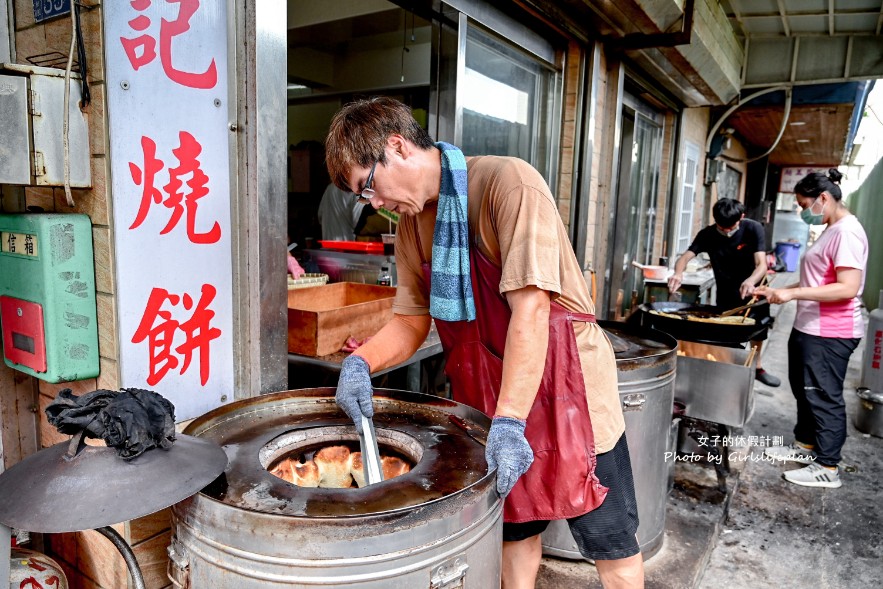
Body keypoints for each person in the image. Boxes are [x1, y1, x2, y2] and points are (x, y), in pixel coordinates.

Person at [327, 97, 642, 588]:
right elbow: (411, 321)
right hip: (489, 399)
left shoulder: (505, 183)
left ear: (398, 146)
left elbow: (532, 309)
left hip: (567, 392)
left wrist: (512, 420)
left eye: (368, 186)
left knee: (610, 541)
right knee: (512, 535)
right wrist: (361, 364)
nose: (374, 204)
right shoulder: (413, 225)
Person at [756, 169, 867, 489]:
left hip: (831, 332)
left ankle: (828, 466)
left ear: (824, 198)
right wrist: (779, 289)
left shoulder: (847, 232)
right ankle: (806, 446)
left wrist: (791, 294)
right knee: (805, 391)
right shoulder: (832, 229)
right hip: (811, 327)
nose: (804, 212)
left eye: (805, 204)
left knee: (823, 396)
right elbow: (817, 280)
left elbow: (847, 287)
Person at [668, 198, 781, 387]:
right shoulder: (707, 234)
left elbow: (761, 265)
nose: (727, 231)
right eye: (722, 227)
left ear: (742, 217)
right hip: (726, 289)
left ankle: (757, 367)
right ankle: (727, 367)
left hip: (755, 289)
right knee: (727, 331)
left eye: (731, 227)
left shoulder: (753, 229)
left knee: (758, 330)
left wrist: (751, 281)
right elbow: (685, 257)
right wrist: (678, 274)